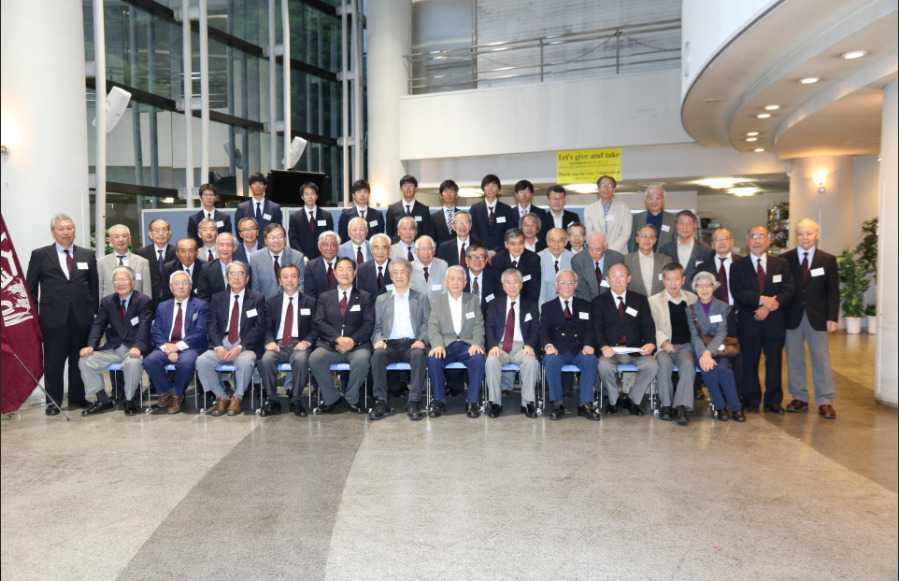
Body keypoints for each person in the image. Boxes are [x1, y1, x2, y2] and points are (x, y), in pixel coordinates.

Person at [26, 213, 99, 413]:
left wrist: (94, 314)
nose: (66, 232)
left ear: (74, 230)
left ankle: (78, 398)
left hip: (81, 318)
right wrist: (33, 318)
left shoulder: (87, 254)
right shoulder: (40, 255)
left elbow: (94, 287)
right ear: (53, 232)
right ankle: (54, 401)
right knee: (54, 363)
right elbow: (31, 289)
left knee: (79, 361)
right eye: (61, 229)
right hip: (53, 319)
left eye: (69, 228)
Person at [730, 225, 795, 414]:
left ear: (768, 240)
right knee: (749, 363)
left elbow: (789, 289)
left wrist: (770, 305)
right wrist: (761, 300)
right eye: (753, 236)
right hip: (749, 321)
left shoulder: (781, 264)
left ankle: (773, 401)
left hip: (774, 321)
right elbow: (737, 292)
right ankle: (751, 399)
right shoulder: (738, 266)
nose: (757, 241)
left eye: (761, 236)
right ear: (747, 241)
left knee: (774, 362)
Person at [782, 219, 839, 419]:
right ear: (795, 236)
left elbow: (833, 291)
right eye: (801, 233)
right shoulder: (784, 259)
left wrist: (832, 317)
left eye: (809, 233)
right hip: (792, 317)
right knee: (794, 358)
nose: (805, 237)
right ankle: (799, 397)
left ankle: (825, 400)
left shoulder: (828, 260)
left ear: (817, 234)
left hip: (818, 317)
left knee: (821, 359)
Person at [78, 266, 153, 416]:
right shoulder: (107, 301)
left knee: (133, 363)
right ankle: (103, 400)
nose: (120, 283)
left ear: (132, 282)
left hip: (134, 347)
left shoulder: (143, 300)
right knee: (86, 360)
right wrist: (91, 346)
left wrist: (138, 346)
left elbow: (144, 326)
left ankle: (129, 400)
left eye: (124, 279)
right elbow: (98, 325)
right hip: (114, 348)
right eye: (116, 280)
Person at [195, 261, 267, 416]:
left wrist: (240, 347)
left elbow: (259, 327)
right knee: (202, 361)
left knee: (245, 361)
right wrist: (218, 346)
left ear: (247, 279)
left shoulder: (257, 298)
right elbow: (212, 324)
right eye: (232, 274)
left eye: (241, 274)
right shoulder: (217, 298)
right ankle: (221, 396)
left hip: (245, 345)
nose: (236, 277)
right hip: (222, 343)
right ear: (227, 278)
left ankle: (237, 397)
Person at [308, 257, 375, 414]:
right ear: (334, 273)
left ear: (355, 273)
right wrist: (337, 339)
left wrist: (352, 341)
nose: (345, 273)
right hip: (330, 345)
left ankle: (352, 398)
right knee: (315, 358)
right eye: (341, 269)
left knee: (362, 360)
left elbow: (368, 324)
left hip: (357, 346)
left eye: (349, 269)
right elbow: (319, 322)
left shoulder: (365, 297)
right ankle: (331, 398)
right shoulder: (325, 297)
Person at [369, 258, 431, 421]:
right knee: (378, 355)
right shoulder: (382, 299)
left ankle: (414, 401)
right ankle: (381, 401)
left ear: (410, 275)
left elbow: (427, 323)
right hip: (390, 344)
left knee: (419, 355)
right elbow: (377, 327)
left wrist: (422, 340)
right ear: (390, 276)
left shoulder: (421, 298)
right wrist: (378, 340)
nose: (399, 276)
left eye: (403, 272)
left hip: (413, 343)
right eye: (395, 272)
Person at [592, 263, 658, 415]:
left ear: (628, 279)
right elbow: (596, 328)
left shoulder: (639, 300)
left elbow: (648, 325)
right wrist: (603, 346)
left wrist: (650, 343)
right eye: (613, 276)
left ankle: (633, 399)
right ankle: (613, 400)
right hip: (611, 351)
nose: (617, 280)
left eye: (621, 276)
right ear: (607, 279)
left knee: (652, 365)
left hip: (635, 350)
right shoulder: (599, 302)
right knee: (603, 365)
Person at [143, 270, 209, 415]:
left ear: (190, 286)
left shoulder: (201, 305)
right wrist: (167, 348)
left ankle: (177, 394)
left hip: (190, 347)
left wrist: (177, 347)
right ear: (171, 288)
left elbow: (200, 331)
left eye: (184, 283)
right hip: (167, 345)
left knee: (186, 363)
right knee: (150, 361)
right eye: (176, 283)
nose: (180, 287)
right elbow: (156, 330)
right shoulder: (162, 306)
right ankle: (169, 393)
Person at [258, 263, 318, 418]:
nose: (289, 280)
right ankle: (272, 400)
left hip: (299, 344)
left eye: (293, 276)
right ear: (280, 281)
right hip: (278, 345)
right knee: (266, 359)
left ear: (299, 279)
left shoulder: (310, 302)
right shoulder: (271, 302)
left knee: (301, 359)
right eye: (285, 277)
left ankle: (296, 400)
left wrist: (307, 341)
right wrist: (270, 341)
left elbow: (316, 328)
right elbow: (266, 328)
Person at [540, 269, 601, 421]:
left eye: (570, 283)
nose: (566, 286)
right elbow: (544, 331)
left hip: (579, 349)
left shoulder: (585, 305)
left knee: (591, 360)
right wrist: (548, 345)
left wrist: (588, 344)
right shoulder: (547, 307)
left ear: (576, 285)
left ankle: (585, 404)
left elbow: (590, 329)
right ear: (556, 285)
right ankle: (558, 403)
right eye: (563, 283)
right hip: (557, 349)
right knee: (550, 360)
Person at [427, 266, 486, 418]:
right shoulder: (437, 302)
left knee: (478, 359)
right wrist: (438, 344)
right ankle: (438, 401)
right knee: (433, 359)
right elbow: (433, 326)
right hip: (446, 344)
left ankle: (472, 401)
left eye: (459, 279)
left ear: (465, 283)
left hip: (467, 345)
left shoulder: (473, 300)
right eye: (452, 279)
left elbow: (479, 325)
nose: (455, 282)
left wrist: (476, 343)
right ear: (446, 282)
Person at [689, 271, 745, 422]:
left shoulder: (723, 307)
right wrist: (704, 353)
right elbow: (694, 336)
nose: (704, 289)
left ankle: (736, 407)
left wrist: (709, 352)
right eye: (700, 285)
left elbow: (722, 332)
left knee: (722, 369)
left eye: (708, 285)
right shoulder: (690, 310)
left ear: (713, 287)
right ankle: (720, 407)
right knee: (708, 368)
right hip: (700, 350)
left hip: (721, 350)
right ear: (695, 288)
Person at [485, 269, 541, 418]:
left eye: (515, 282)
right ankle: (495, 403)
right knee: (491, 361)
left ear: (521, 285)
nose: (511, 286)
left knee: (531, 361)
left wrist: (530, 345)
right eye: (508, 282)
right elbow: (489, 327)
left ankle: (527, 403)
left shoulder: (531, 304)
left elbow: (535, 328)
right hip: (500, 347)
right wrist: (493, 345)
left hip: (522, 347)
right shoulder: (494, 304)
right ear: (503, 286)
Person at [648, 263, 698, 425]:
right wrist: (663, 341)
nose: (673, 283)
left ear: (683, 280)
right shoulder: (653, 301)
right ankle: (666, 405)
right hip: (664, 346)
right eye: (669, 279)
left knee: (688, 364)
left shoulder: (692, 298)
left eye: (676, 279)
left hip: (685, 346)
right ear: (663, 281)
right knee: (664, 364)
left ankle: (681, 406)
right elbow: (651, 326)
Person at [250, 223, 305, 299]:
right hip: (265, 303)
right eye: (272, 237)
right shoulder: (255, 258)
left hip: (290, 302)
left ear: (285, 238)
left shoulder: (297, 257)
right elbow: (255, 288)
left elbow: (301, 285)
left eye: (280, 237)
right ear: (265, 241)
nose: (276, 241)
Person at [659, 209, 714, 285]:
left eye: (689, 223)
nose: (685, 227)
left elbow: (709, 276)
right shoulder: (665, 250)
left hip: (696, 292)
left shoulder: (706, 250)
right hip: (672, 291)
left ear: (694, 225)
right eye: (681, 223)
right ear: (676, 225)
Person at [98, 224, 152, 299]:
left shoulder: (142, 262)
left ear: (129, 239)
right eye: (116, 236)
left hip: (136, 305)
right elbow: (99, 291)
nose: (121, 239)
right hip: (110, 305)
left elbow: (147, 292)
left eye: (124, 236)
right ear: (110, 240)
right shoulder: (101, 263)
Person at [583, 175, 632, 253]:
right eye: (603, 185)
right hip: (597, 253)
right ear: (598, 189)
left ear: (614, 189)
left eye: (610, 185)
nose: (606, 188)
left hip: (619, 252)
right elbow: (589, 234)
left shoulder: (624, 208)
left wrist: (610, 251)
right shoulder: (589, 209)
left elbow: (625, 234)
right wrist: (600, 249)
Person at [469, 174, 515, 254]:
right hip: (480, 253)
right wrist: (484, 249)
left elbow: (510, 232)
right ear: (483, 188)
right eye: (487, 185)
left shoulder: (506, 209)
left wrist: (496, 250)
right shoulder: (475, 209)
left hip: (502, 253)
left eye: (494, 185)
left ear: (498, 188)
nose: (490, 189)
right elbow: (472, 232)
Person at [491, 228, 541, 303]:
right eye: (513, 243)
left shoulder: (533, 259)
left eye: (520, 243)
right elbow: (498, 289)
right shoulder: (498, 259)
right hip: (504, 302)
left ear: (524, 243)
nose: (517, 247)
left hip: (526, 303)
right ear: (506, 244)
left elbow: (534, 289)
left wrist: (523, 307)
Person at [572, 232, 624, 302]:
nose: (594, 253)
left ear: (605, 247)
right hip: (588, 302)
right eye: (590, 249)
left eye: (598, 249)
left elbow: (619, 287)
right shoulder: (578, 260)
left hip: (611, 302)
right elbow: (581, 290)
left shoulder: (617, 259)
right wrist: (593, 306)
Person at [135, 217, 175, 307]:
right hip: (149, 301)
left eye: (164, 230)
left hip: (172, 300)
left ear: (169, 233)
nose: (161, 233)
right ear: (150, 234)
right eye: (157, 230)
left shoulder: (177, 253)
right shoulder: (141, 254)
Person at [234, 172, 282, 245]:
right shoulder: (242, 208)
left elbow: (278, 230)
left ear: (265, 186)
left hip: (269, 247)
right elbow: (238, 230)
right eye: (254, 183)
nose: (257, 186)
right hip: (249, 247)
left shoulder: (275, 208)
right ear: (250, 186)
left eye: (260, 183)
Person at [288, 182, 333, 260]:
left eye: (312, 193)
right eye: (306, 194)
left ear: (317, 196)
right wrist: (302, 256)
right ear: (302, 197)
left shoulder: (326, 216)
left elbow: (330, 237)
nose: (310, 197)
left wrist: (325, 254)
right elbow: (293, 240)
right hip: (302, 259)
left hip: (322, 258)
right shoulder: (295, 217)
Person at [624, 224, 671, 297]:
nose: (647, 240)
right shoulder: (626, 260)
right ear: (637, 239)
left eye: (650, 237)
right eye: (643, 236)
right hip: (635, 302)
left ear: (655, 240)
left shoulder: (665, 260)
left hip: (659, 302)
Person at [628, 184, 675, 252]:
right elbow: (632, 244)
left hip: (665, 257)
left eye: (658, 198)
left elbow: (675, 244)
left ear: (663, 199)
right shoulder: (637, 219)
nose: (654, 201)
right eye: (650, 198)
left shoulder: (672, 219)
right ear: (646, 200)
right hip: (641, 257)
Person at [385, 174, 432, 242]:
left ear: (416, 189)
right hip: (397, 246)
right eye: (404, 185)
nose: (408, 188)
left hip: (416, 246)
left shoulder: (424, 209)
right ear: (400, 189)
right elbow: (390, 232)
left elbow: (426, 233)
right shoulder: (392, 209)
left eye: (411, 185)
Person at [197, 232, 240, 301]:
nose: (225, 249)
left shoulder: (244, 268)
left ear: (235, 248)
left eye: (228, 245)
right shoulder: (206, 269)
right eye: (221, 245)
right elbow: (203, 297)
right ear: (216, 247)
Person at [538, 227, 573, 305]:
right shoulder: (538, 259)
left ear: (566, 242)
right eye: (552, 240)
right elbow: (541, 291)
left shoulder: (573, 258)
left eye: (560, 240)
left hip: (568, 304)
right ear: (547, 241)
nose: (556, 244)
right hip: (546, 304)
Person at [464, 244, 501, 315]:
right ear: (467, 260)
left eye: (481, 257)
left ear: (486, 260)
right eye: (474, 257)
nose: (477, 261)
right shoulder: (459, 277)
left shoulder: (494, 278)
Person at [303, 231, 341, 300]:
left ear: (338, 248)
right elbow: (310, 295)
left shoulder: (345, 265)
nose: (329, 248)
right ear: (319, 247)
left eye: (333, 245)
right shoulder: (311, 267)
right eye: (325, 245)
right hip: (319, 305)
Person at [411, 236, 448, 301]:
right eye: (422, 249)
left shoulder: (442, 265)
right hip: (417, 305)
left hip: (438, 305)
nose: (426, 252)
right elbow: (410, 292)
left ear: (434, 251)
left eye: (429, 248)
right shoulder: (410, 267)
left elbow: (445, 290)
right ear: (416, 252)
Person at [430, 179, 460, 247]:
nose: (449, 194)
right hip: (440, 252)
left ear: (456, 195)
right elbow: (431, 239)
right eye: (446, 191)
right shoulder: (433, 218)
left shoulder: (462, 215)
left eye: (452, 191)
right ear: (441, 195)